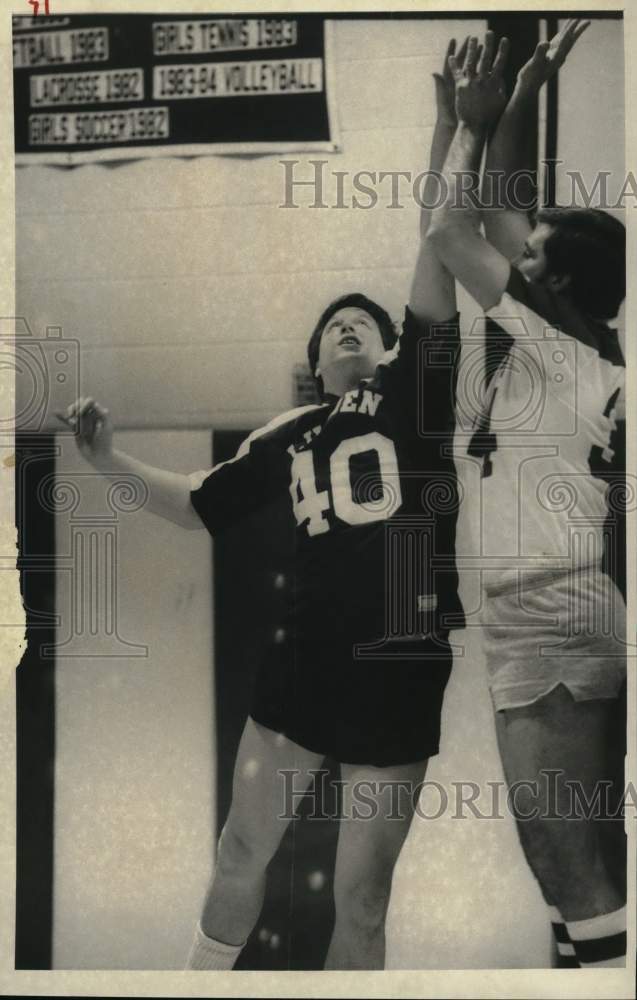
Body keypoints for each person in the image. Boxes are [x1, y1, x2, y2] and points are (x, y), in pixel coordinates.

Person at [62, 41, 467, 971]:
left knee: (363, 900)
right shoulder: (289, 428)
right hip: (306, 662)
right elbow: (195, 505)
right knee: (243, 848)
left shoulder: (415, 389)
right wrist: (105, 456)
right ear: (316, 363)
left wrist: (447, 130)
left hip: (403, 660)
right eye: (333, 326)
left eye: (362, 318)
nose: (349, 324)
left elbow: (433, 251)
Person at [428, 22, 627, 968]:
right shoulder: (575, 333)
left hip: (551, 605)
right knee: (569, 860)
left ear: (560, 280)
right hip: (541, 606)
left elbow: (454, 225)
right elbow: (511, 213)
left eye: (534, 254)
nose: (519, 252)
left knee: (563, 857)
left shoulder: (559, 339)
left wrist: (469, 127)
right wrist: (526, 90)